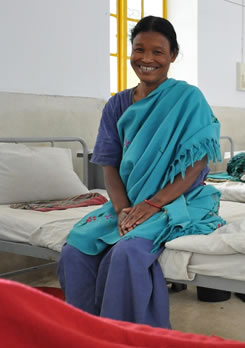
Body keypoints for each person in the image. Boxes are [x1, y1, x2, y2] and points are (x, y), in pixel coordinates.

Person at [57, 16, 225, 329]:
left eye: (158, 52)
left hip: (179, 201)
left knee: (125, 254)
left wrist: (154, 204)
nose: (147, 59)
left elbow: (195, 165)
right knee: (75, 249)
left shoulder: (188, 100)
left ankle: (129, 343)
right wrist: (122, 210)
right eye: (139, 49)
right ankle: (85, 336)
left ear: (173, 55)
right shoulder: (117, 104)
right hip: (129, 201)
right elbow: (110, 163)